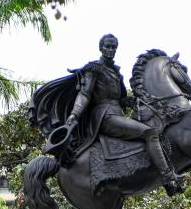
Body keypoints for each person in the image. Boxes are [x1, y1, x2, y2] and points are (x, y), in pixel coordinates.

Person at [61, 34, 183, 195]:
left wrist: (129, 101)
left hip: (118, 114)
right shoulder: (94, 68)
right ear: (101, 48)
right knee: (150, 132)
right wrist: (74, 115)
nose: (111, 50)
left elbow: (119, 98)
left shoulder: (115, 72)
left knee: (156, 129)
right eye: (108, 46)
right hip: (105, 117)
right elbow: (84, 94)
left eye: (113, 47)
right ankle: (168, 178)